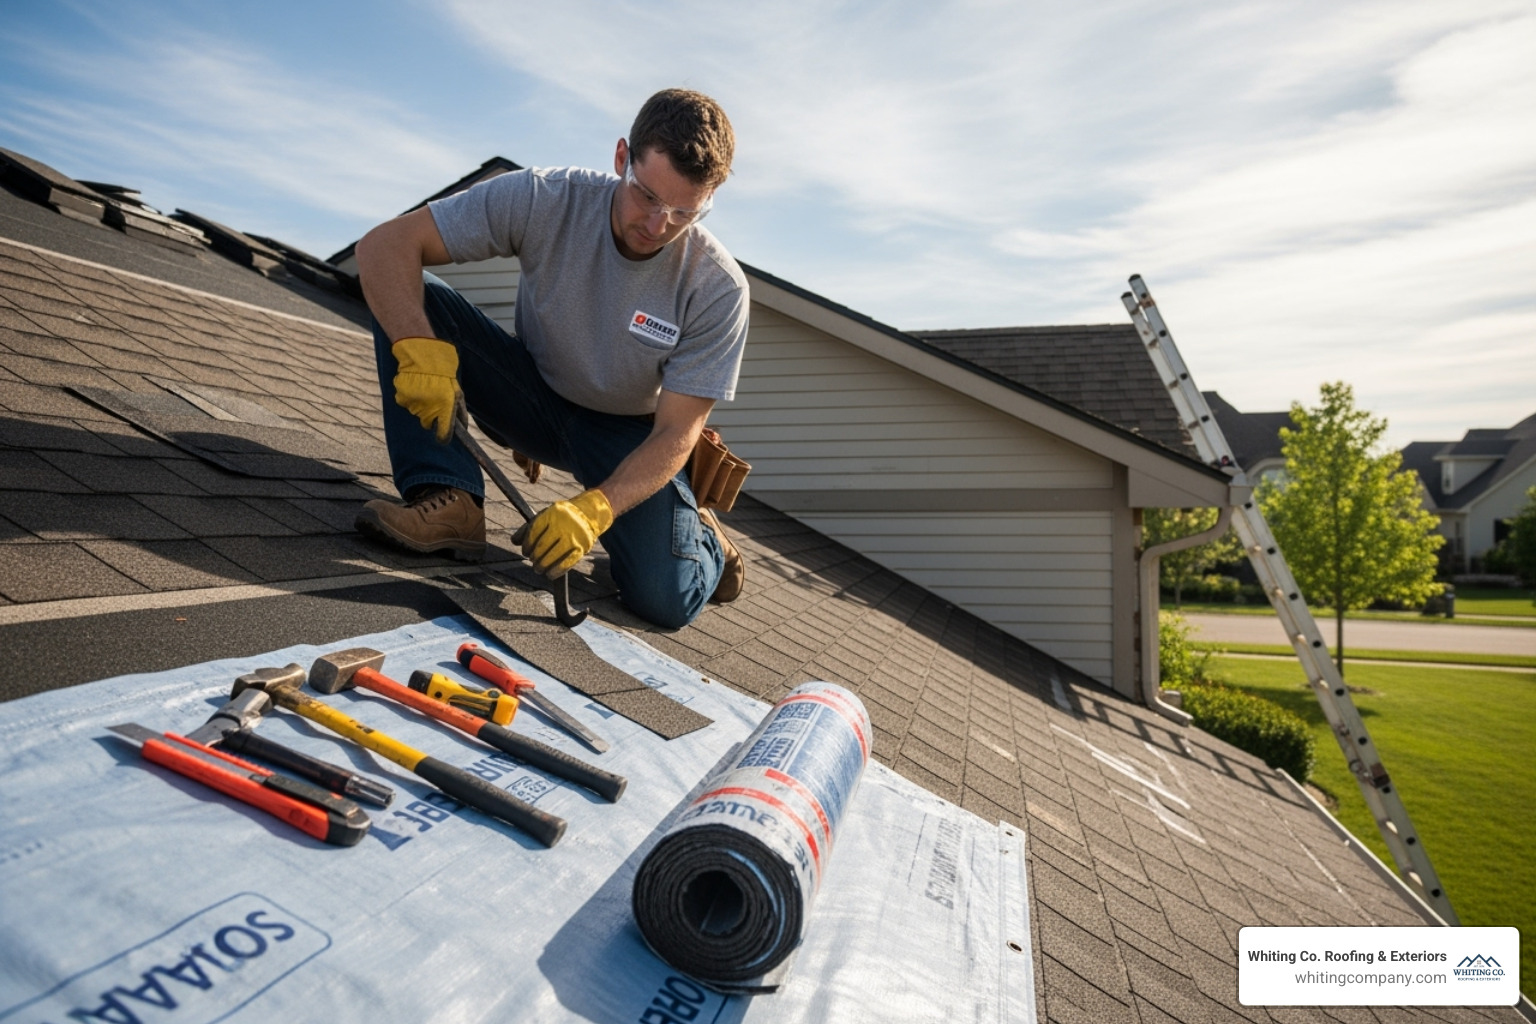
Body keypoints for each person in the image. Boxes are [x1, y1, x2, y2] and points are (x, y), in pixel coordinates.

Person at [353, 88, 748, 629]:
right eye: (647, 197)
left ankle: (703, 541)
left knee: (664, 598)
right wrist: (417, 350)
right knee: (407, 292)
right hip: (530, 394)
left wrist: (596, 510)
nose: (658, 225)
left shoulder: (716, 287)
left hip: (623, 436)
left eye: (684, 211)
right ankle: (449, 495)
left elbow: (676, 434)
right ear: (620, 159)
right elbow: (383, 248)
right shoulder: (547, 198)